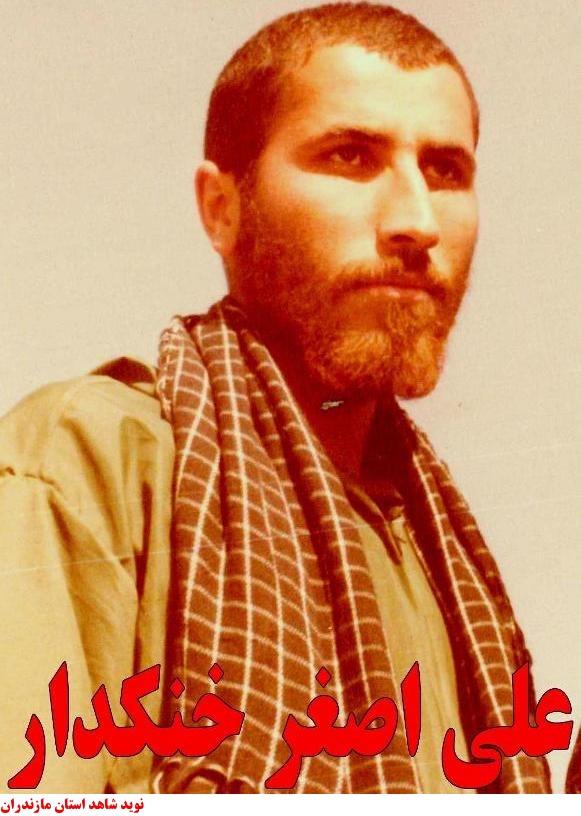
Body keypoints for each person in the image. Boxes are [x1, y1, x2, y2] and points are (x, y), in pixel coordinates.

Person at [0, 2, 553, 795]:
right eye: (350, 157)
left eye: (444, 171)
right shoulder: (93, 462)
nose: (416, 221)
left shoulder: (440, 555)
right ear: (222, 208)